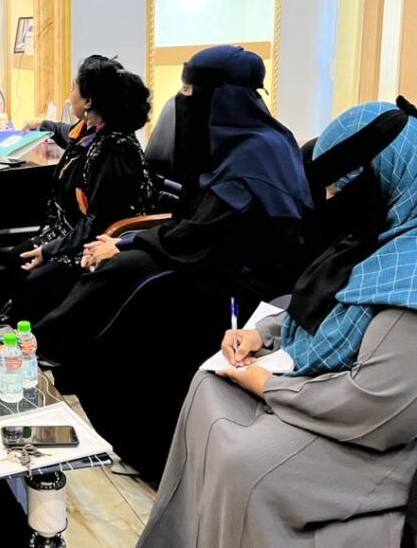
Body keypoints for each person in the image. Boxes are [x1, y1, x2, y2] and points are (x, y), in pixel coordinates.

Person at [139, 98, 417, 547]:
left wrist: (266, 384)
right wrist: (261, 334)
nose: (329, 200)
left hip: (379, 445)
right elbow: (327, 302)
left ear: (382, 179)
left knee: (245, 464)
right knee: (207, 387)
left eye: (338, 189)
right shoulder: (382, 231)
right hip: (330, 391)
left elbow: (379, 407)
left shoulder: (411, 264)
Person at [36, 45, 312, 482]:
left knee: (133, 288)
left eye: (190, 91)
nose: (182, 102)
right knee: (121, 271)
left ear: (223, 98)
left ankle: (138, 443)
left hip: (244, 288)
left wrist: (126, 245)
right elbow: (192, 223)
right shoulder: (233, 143)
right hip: (207, 260)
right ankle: (47, 349)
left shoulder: (255, 154)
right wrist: (127, 242)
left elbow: (205, 233)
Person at [4, 55, 153, 325]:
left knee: (33, 278)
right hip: (72, 231)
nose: (69, 93)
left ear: (89, 102)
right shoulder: (93, 131)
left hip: (95, 244)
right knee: (15, 258)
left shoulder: (115, 151)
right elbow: (67, 134)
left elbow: (98, 223)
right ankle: (13, 327)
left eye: (74, 88)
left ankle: (32, 339)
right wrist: (43, 125)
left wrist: (49, 251)